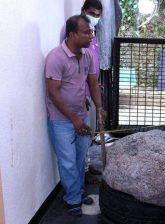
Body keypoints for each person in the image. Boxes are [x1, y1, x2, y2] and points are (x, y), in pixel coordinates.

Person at [46, 15, 105, 216]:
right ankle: (72, 198)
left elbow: (93, 83)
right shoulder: (55, 58)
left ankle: (78, 193)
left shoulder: (88, 55)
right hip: (61, 120)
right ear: (72, 35)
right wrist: (74, 120)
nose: (91, 35)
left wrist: (99, 108)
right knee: (68, 161)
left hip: (82, 115)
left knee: (80, 159)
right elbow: (53, 92)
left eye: (91, 31)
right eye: (86, 32)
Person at [60, 0, 104, 184]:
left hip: (91, 89)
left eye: (98, 14)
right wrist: (83, 94)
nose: (95, 18)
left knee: (88, 133)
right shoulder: (71, 35)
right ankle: (82, 173)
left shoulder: (92, 35)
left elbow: (91, 66)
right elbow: (72, 66)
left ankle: (84, 166)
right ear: (83, 11)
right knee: (81, 135)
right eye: (92, 13)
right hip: (80, 93)